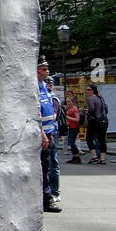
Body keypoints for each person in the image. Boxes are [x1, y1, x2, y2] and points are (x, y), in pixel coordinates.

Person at [37, 60, 61, 212]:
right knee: (40, 169)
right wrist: (41, 133)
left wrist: (50, 133)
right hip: (37, 137)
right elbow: (33, 112)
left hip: (46, 136)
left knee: (46, 168)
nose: (47, 72)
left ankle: (47, 200)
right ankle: (45, 200)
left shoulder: (44, 87)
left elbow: (49, 113)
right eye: (44, 69)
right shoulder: (32, 88)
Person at [85, 84, 109, 163]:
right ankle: (102, 158)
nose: (87, 91)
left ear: (92, 90)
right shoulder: (100, 98)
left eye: (88, 89)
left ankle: (94, 156)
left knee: (89, 138)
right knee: (102, 139)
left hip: (94, 121)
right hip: (104, 121)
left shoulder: (90, 98)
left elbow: (92, 109)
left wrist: (86, 112)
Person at [65, 94, 82, 163]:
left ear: (73, 102)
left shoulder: (75, 109)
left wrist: (68, 118)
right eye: (67, 101)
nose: (68, 103)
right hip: (70, 127)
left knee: (72, 142)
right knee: (70, 142)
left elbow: (77, 119)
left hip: (75, 127)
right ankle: (74, 157)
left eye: (69, 101)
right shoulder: (69, 109)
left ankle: (77, 156)